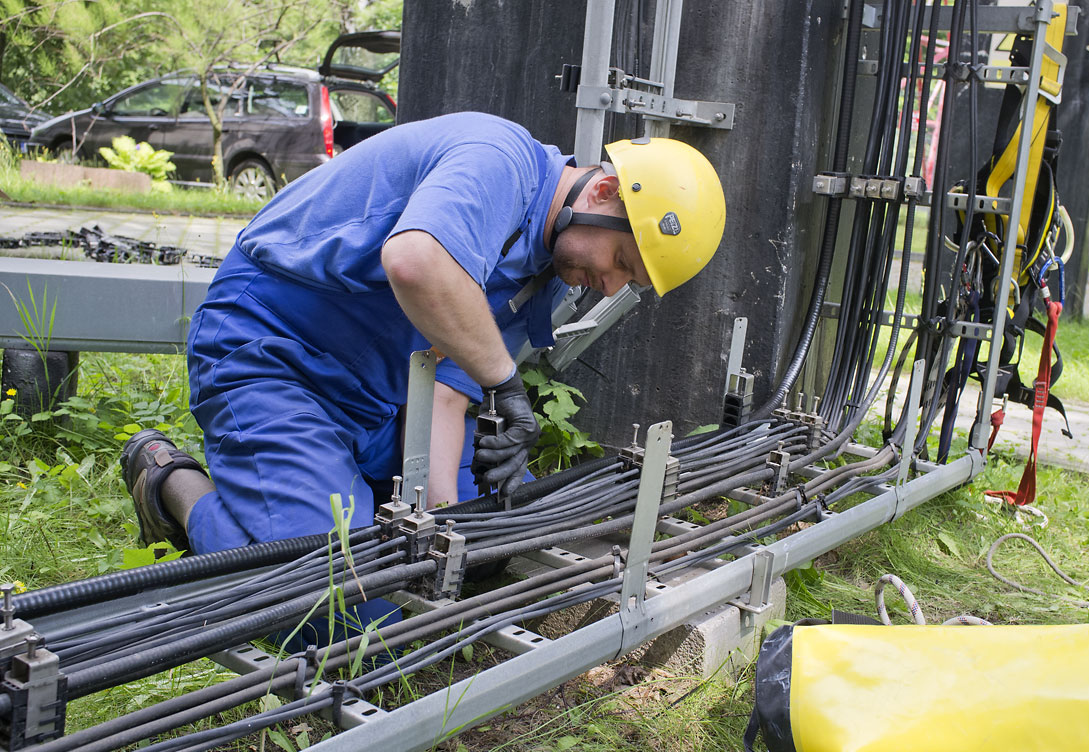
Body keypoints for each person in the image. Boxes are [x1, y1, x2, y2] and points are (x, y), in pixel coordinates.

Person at [120, 111, 726, 563]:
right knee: (341, 598)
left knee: (487, 540)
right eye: (620, 259)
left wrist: (445, 537)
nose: (608, 283)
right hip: (272, 356)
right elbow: (416, 262)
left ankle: (321, 494)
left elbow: (446, 392)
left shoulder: (542, 269)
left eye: (627, 280)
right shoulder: (498, 160)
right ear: (604, 192)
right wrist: (505, 382)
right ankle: (173, 484)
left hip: (372, 401)